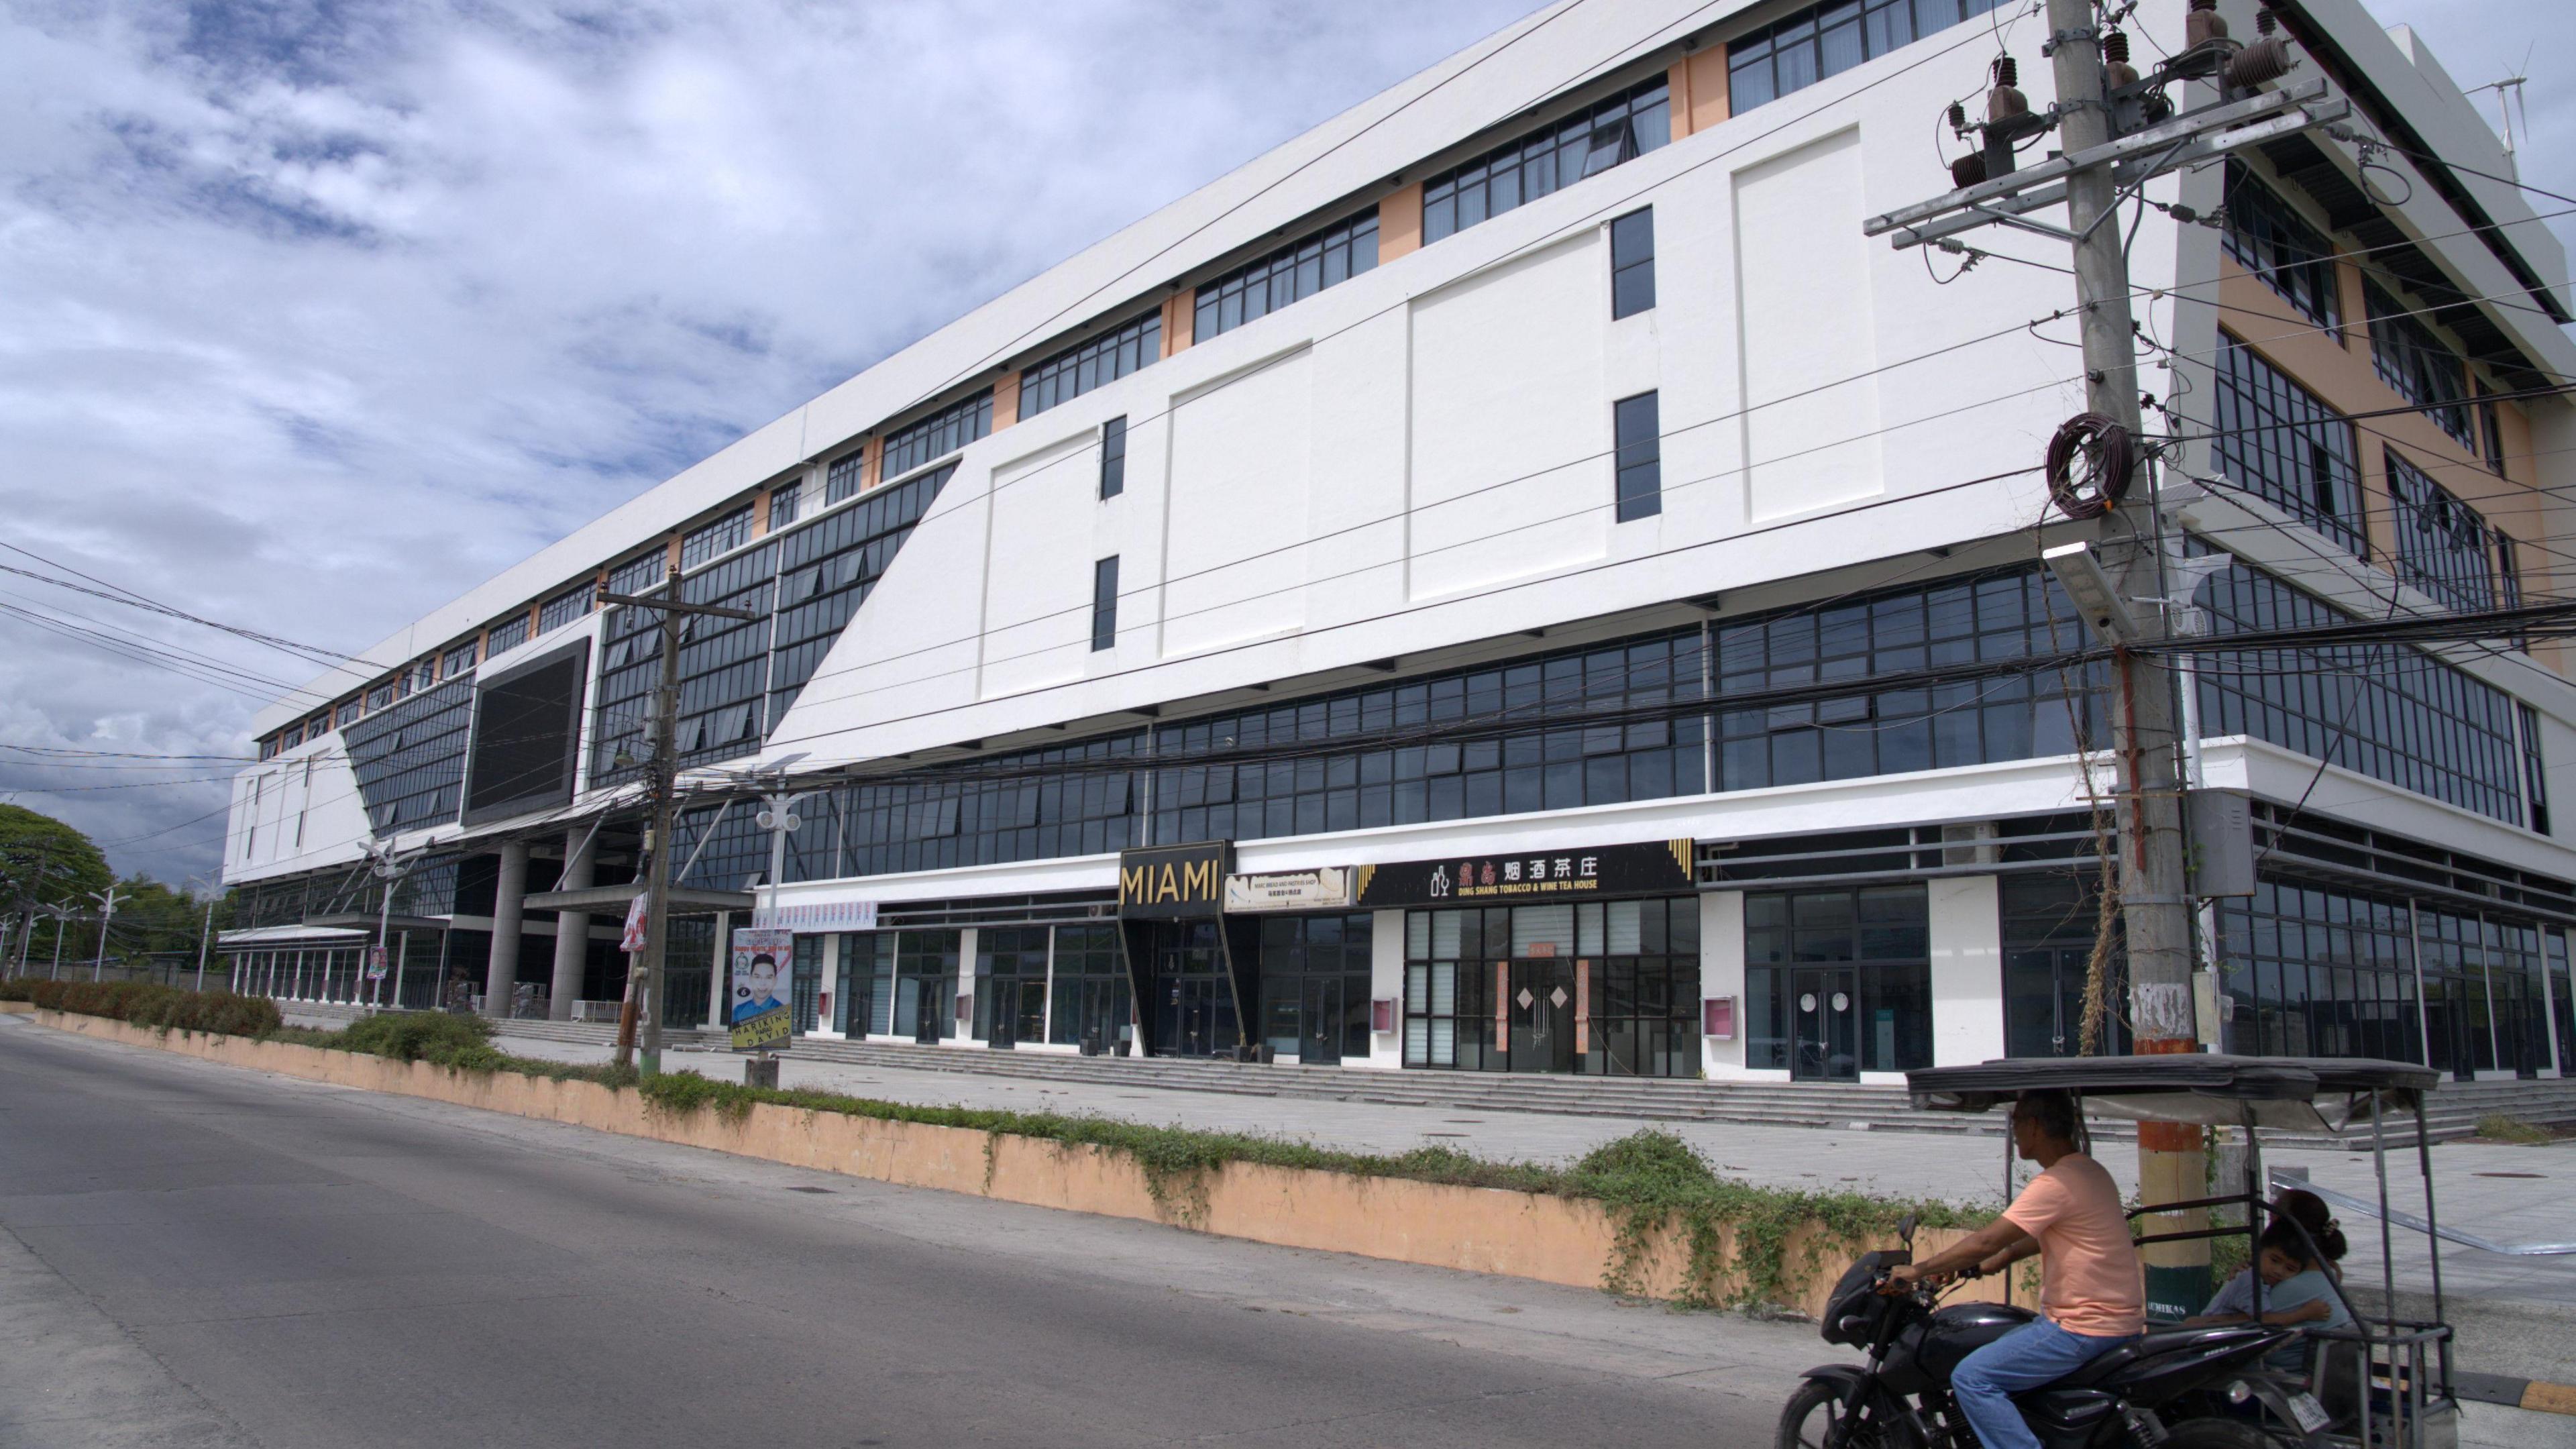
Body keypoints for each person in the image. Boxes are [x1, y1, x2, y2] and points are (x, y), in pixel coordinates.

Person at [1888, 1090, 2143, 1449]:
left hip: (2083, 1327)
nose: (2015, 1131)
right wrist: (2002, 1259)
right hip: (2111, 1322)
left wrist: (1919, 1269)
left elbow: (1986, 1241)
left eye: (2015, 1122)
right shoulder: (2089, 1171)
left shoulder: (2055, 1183)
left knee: (1972, 1377)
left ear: (2035, 1125)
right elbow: (2045, 1236)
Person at [2186, 1220, 2352, 1371]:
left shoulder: (2265, 1281)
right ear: (2257, 1252)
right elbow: (2264, 1320)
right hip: (2214, 1347)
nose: (2279, 1271)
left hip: (2232, 1345)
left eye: (2290, 1269)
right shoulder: (2250, 1280)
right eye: (2274, 1260)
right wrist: (2304, 1313)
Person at [732, 954, 784, 1024]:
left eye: (768, 977)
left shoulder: (782, 1011)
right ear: (750, 979)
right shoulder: (738, 1011)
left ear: (775, 981)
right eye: (757, 977)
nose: (763, 983)